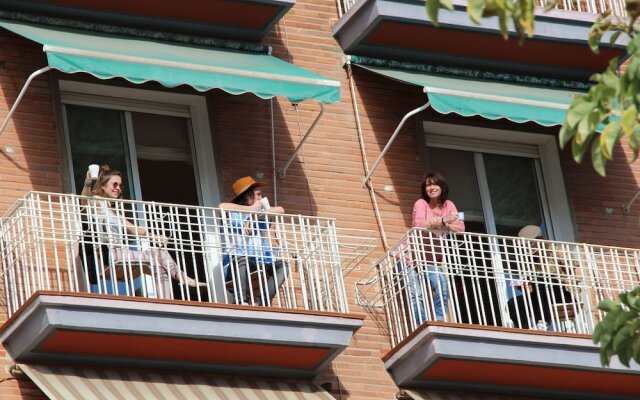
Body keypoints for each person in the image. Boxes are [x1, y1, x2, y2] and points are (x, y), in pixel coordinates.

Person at [80, 165, 202, 299]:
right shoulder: (99, 202)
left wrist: (154, 236)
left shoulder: (114, 212)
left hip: (123, 252)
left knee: (158, 265)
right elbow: (84, 202)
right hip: (112, 253)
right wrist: (88, 182)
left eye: (120, 185)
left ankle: (166, 300)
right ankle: (182, 277)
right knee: (158, 254)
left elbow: (135, 229)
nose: (118, 188)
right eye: (114, 184)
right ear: (103, 186)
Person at [404, 172, 464, 323]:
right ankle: (421, 323)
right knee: (416, 293)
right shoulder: (421, 203)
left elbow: (461, 227)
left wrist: (446, 224)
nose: (431, 187)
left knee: (442, 285)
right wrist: (443, 222)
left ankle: (439, 319)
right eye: (428, 185)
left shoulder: (448, 205)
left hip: (431, 258)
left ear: (442, 186)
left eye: (434, 184)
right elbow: (419, 225)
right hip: (409, 256)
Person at [219, 176, 287, 306]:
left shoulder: (260, 214)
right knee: (242, 258)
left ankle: (262, 301)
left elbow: (280, 210)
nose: (261, 198)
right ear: (247, 196)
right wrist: (251, 210)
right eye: (258, 195)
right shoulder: (233, 213)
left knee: (283, 265)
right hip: (237, 264)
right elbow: (222, 206)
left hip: (260, 261)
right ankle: (241, 301)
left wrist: (253, 216)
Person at [506, 225, 576, 330]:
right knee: (512, 303)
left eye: (531, 245)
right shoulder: (529, 262)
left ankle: (543, 322)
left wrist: (571, 279)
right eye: (526, 246)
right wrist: (524, 286)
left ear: (540, 240)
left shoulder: (556, 252)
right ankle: (525, 330)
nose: (529, 249)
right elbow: (531, 290)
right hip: (541, 299)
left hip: (562, 295)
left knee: (542, 279)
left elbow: (577, 271)